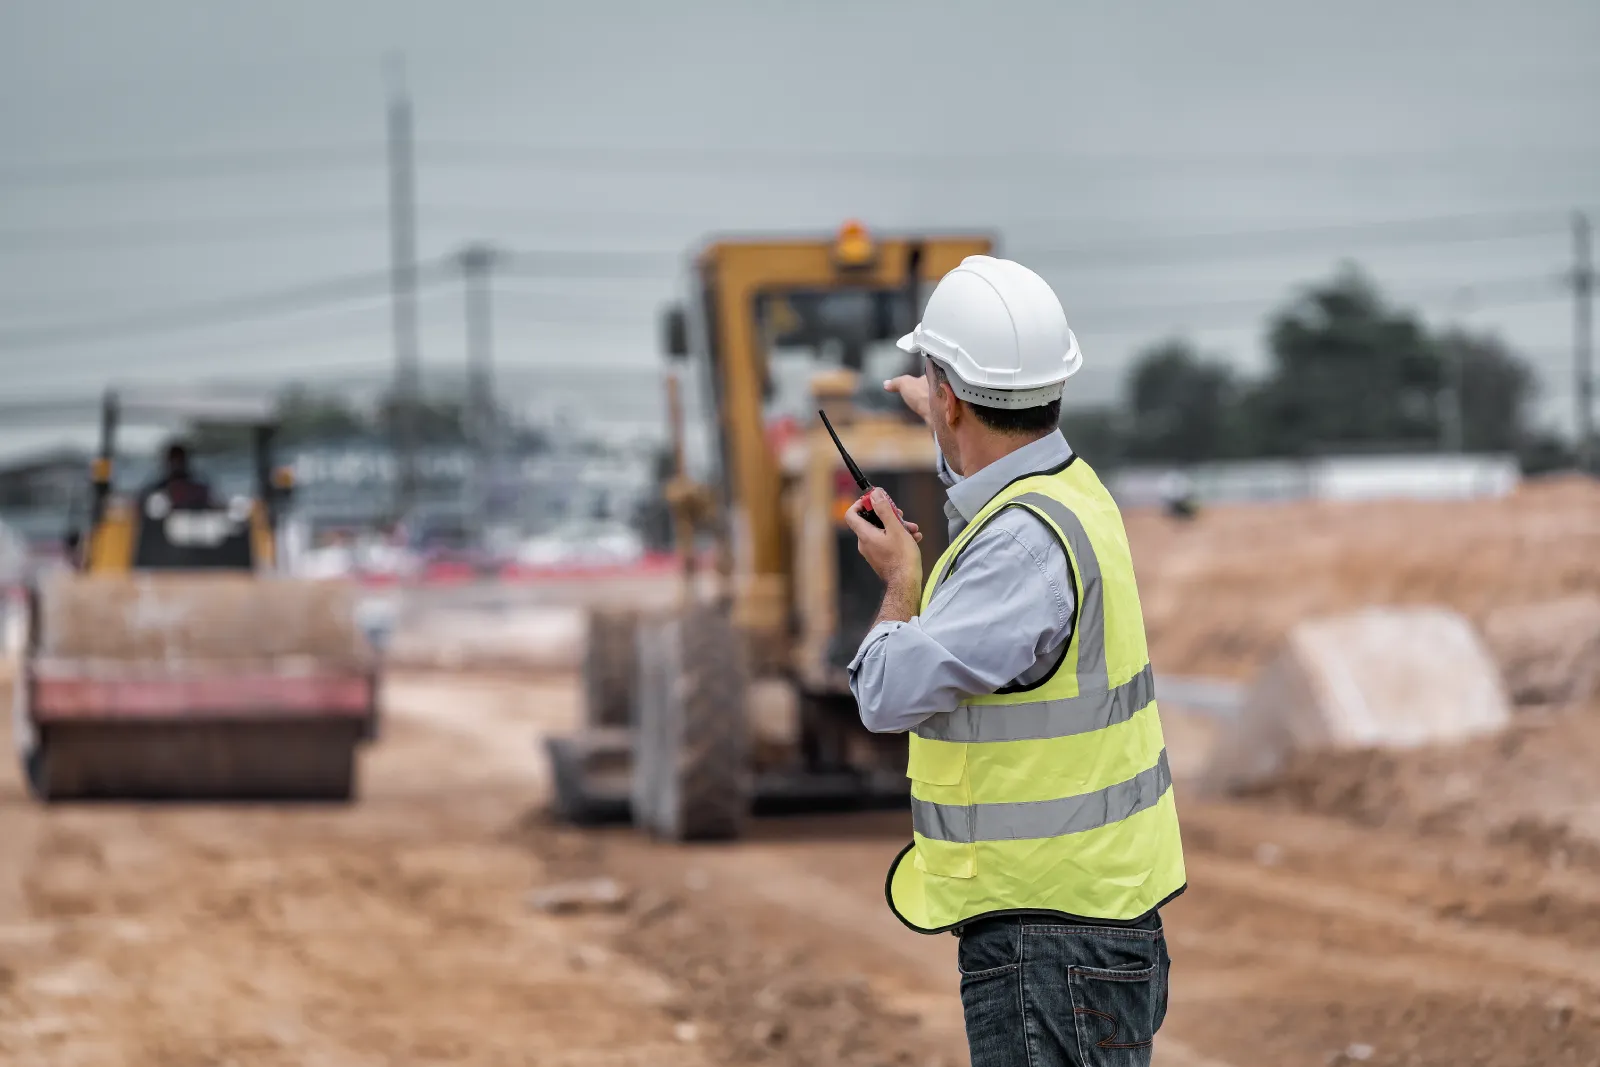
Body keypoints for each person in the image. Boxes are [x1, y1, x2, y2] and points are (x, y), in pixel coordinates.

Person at [844, 255, 1184, 1067]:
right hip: (1094, 918)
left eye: (938, 389)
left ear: (952, 394)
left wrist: (900, 585)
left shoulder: (1018, 550)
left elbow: (885, 693)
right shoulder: (1075, 495)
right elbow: (997, 472)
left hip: (1049, 941)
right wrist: (946, 416)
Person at [140, 442, 215, 511]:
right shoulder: (157, 490)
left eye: (179, 460)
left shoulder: (198, 488)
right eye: (173, 460)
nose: (176, 464)